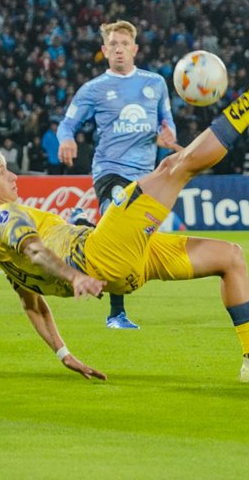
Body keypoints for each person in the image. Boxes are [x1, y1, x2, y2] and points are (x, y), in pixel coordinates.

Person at [0, 33, 249, 384]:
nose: (13, 176)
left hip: (121, 269)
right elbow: (33, 248)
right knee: (175, 167)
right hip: (99, 255)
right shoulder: (2, 215)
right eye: (2, 172)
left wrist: (65, 354)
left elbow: (31, 303)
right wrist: (75, 276)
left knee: (229, 257)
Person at [56, 20, 179, 330]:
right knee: (119, 238)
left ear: (135, 49)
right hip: (110, 170)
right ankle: (116, 314)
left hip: (146, 174)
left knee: (133, 240)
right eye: (113, 44)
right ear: (104, 50)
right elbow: (67, 124)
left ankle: (81, 225)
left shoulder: (155, 83)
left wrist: (167, 136)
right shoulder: (93, 89)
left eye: (124, 44)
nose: (119, 49)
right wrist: (66, 140)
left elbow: (167, 121)